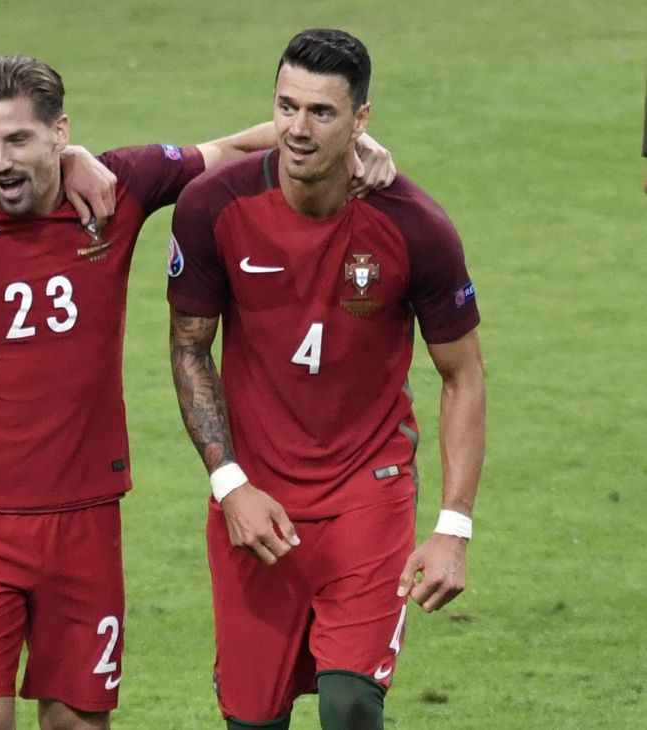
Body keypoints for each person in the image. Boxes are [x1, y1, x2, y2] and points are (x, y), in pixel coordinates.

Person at [0, 55, 395, 730]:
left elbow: (237, 146)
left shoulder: (120, 185)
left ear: (60, 132)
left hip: (86, 515)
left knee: (78, 723)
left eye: (19, 140)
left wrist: (349, 143)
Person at [167, 29, 485, 730]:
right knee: (253, 720)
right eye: (287, 107)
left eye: (321, 113)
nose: (298, 129)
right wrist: (230, 485)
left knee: (349, 705)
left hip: (367, 494)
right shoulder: (212, 208)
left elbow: (463, 374)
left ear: (361, 120)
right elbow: (190, 349)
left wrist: (453, 529)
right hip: (256, 504)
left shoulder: (416, 228)